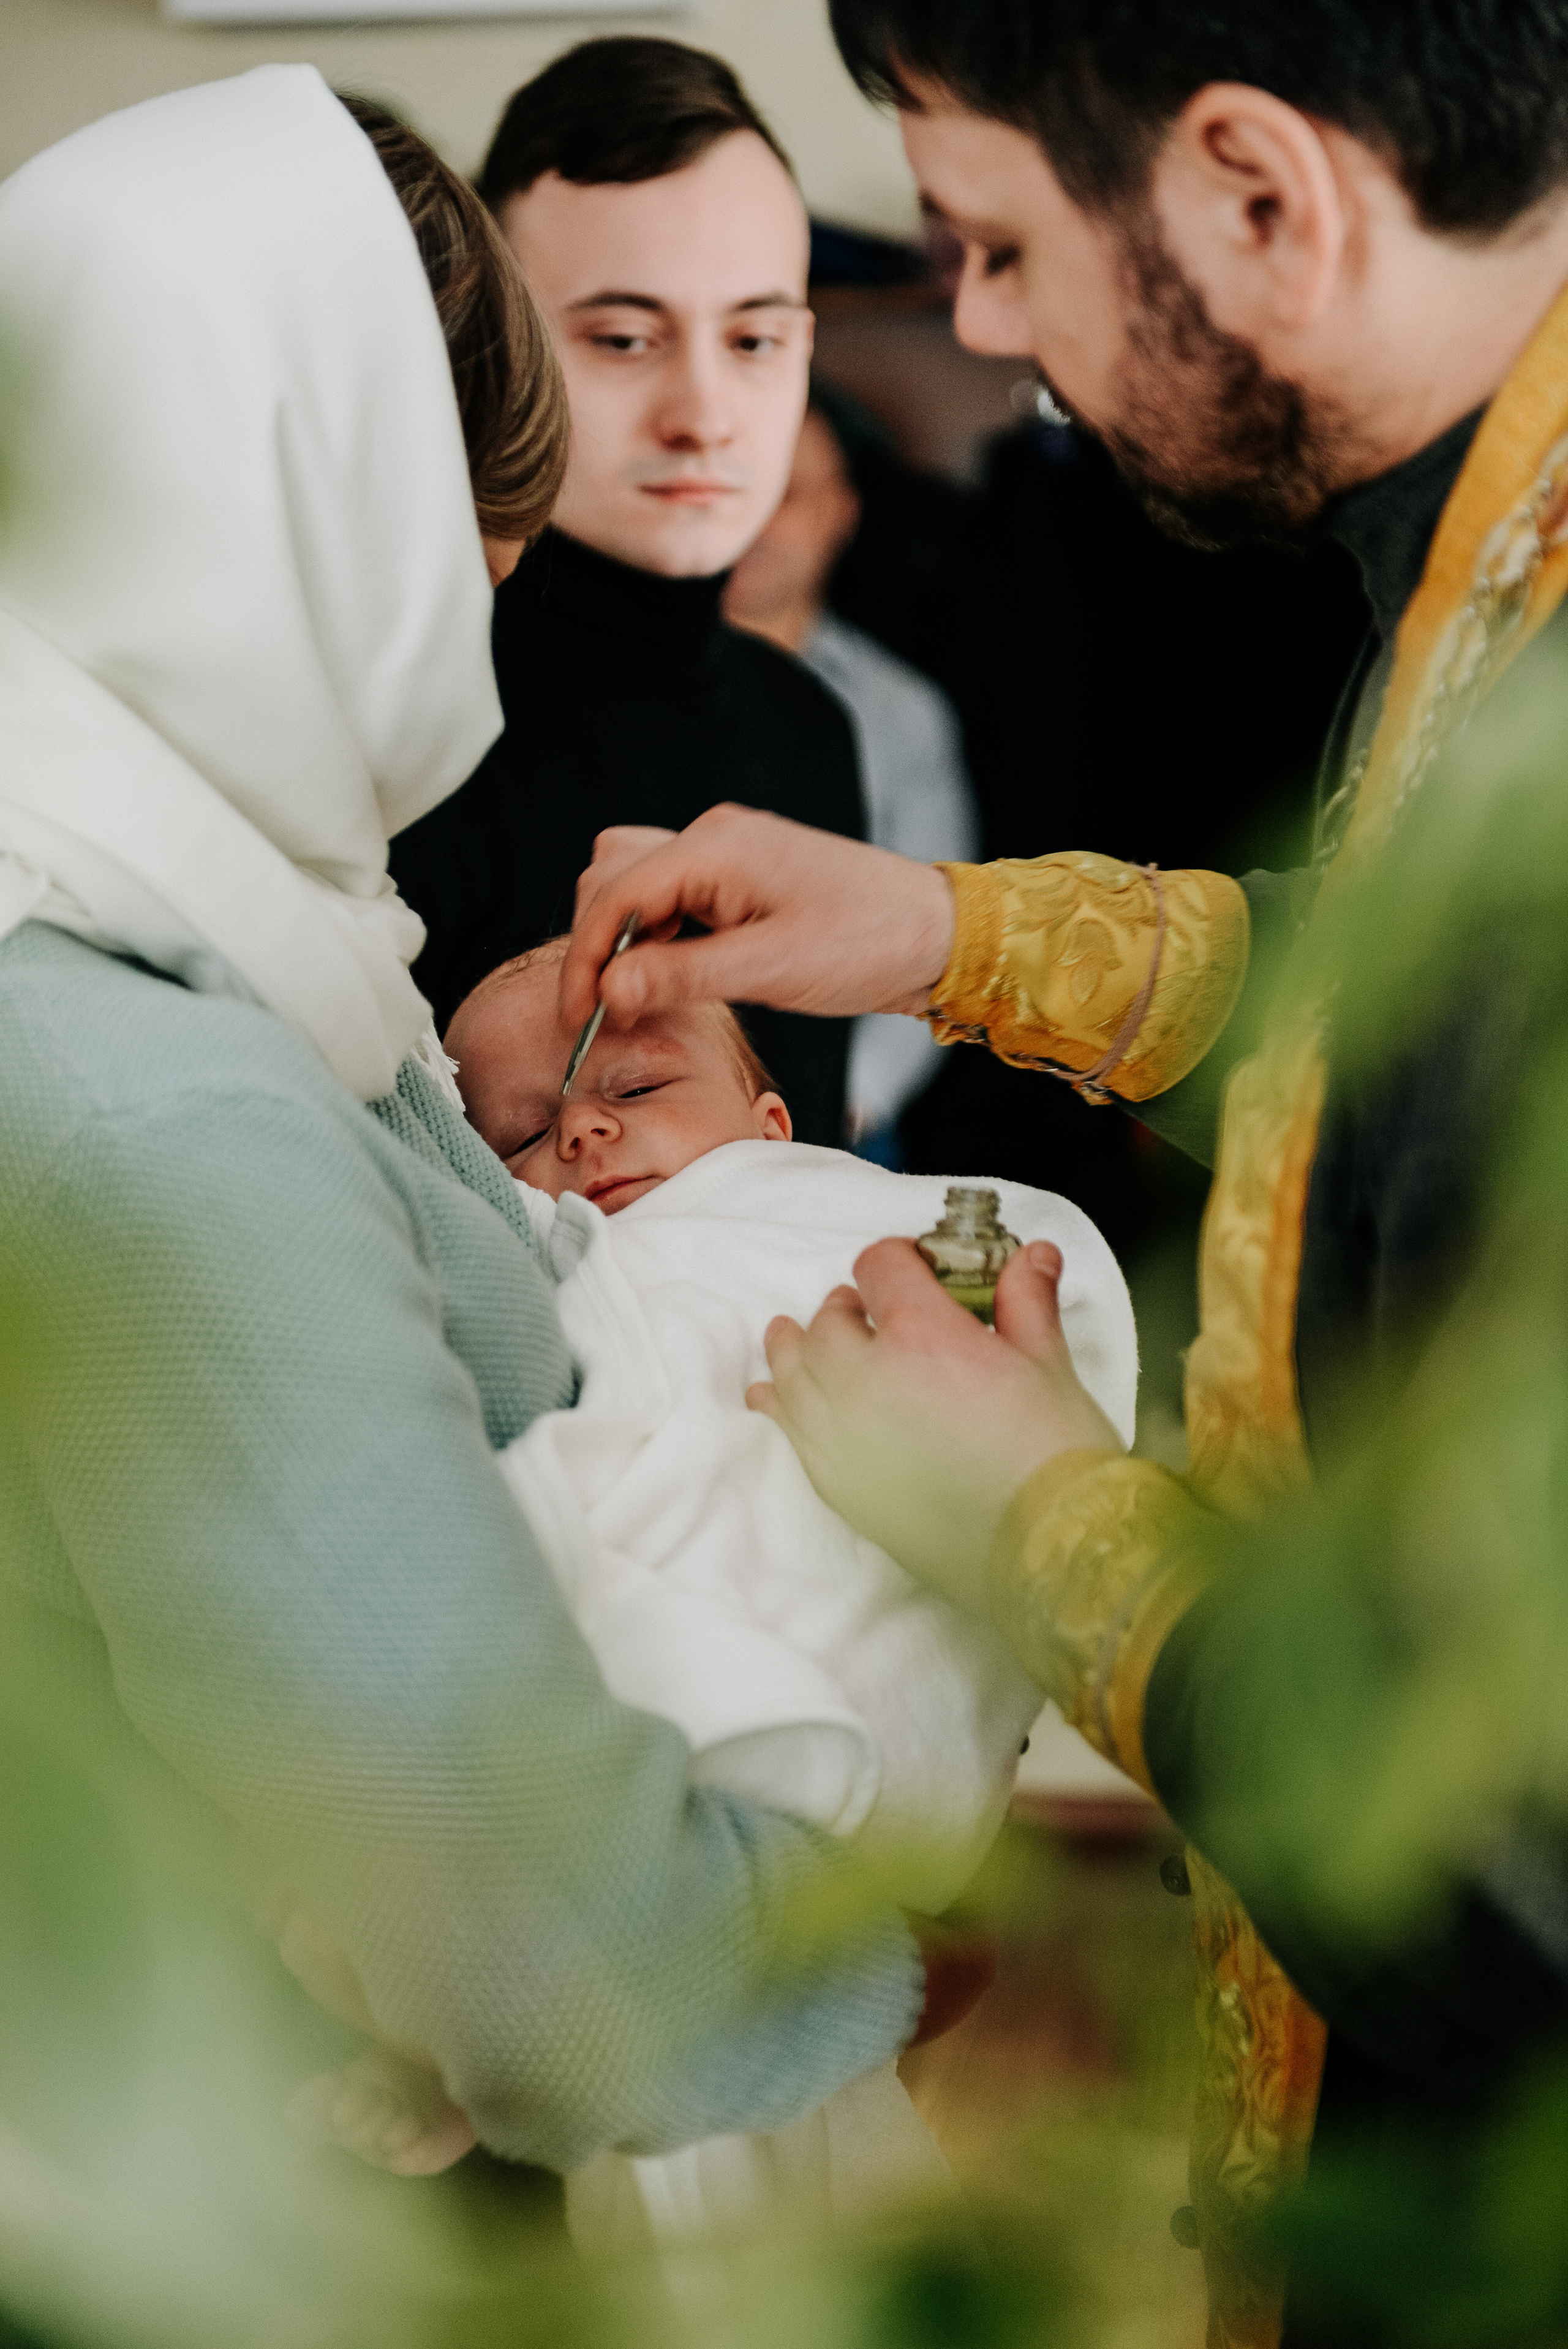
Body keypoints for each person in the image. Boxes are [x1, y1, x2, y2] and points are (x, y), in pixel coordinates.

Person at [554, 2, 1568, 2339]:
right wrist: (947, 933)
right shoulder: (1484, 560)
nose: (988, 329)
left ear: (1255, 192)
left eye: (997, 242)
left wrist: (1033, 1514)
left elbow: (1509, 1853)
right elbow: (1430, 1000)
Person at [0, 66, 927, 2200]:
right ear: (337, 563)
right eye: (464, 587)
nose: (473, 677)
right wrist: (922, 1945)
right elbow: (595, 1988)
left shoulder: (202, 930)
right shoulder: (157, 1112)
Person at [298, 937, 1135, 2241]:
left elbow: (1022, 1285)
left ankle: (525, 2024)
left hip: (832, 1676)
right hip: (635, 1685)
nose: (580, 1131)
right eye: (516, 1134)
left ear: (773, 1125)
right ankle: (490, 2032)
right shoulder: (531, 1262)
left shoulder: (814, 1218)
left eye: (634, 1088)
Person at [389, 37, 865, 1148]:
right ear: (499, 348)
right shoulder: (404, 722)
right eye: (622, 338)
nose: (703, 413)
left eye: (755, 337)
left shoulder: (810, 727)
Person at [725, 396, 979, 1157]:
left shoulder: (900, 713)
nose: (753, 520)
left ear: (840, 511)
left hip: (837, 1120)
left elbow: (942, 928)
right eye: (737, 489)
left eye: (785, 495)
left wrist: (848, 1105)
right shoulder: (616, 693)